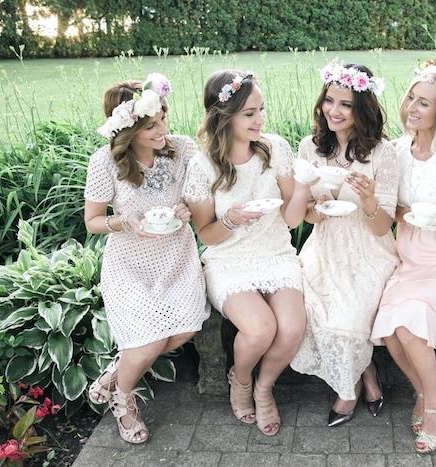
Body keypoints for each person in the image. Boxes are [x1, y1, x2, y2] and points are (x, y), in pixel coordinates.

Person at [84, 73, 210, 444]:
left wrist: (188, 208)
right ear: (127, 132)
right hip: (129, 262)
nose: (162, 131)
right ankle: (123, 400)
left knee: (186, 328)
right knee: (152, 341)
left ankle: (115, 374)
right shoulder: (104, 162)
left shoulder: (183, 149)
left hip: (177, 256)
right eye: (150, 126)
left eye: (163, 120)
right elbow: (92, 221)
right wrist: (124, 222)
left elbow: (200, 194)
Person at [182, 70, 309, 436]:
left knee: (291, 328)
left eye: (261, 110)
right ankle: (240, 380)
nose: (260, 120)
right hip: (229, 260)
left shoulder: (276, 148)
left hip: (275, 254)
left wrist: (304, 187)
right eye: (249, 113)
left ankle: (264, 386)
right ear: (225, 116)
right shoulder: (202, 166)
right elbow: (206, 235)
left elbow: (290, 219)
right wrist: (232, 220)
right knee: (259, 329)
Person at [370, 65, 436, 453]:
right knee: (391, 331)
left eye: (424, 102)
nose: (412, 107)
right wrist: (400, 212)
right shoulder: (397, 151)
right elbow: (393, 209)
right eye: (411, 97)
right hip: (409, 253)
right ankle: (424, 392)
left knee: (410, 325)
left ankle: (433, 405)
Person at [290, 62, 399, 427]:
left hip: (369, 249)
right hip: (325, 245)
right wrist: (316, 211)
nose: (333, 111)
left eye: (346, 105)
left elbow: (383, 225)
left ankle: (346, 392)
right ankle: (365, 378)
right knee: (306, 302)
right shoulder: (309, 148)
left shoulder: (384, 154)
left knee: (349, 313)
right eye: (329, 101)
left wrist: (368, 201)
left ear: (362, 109)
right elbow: (306, 215)